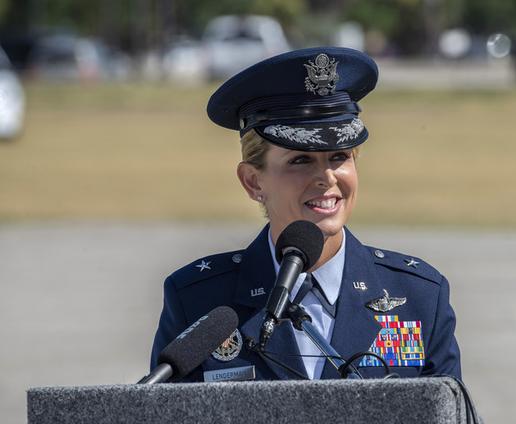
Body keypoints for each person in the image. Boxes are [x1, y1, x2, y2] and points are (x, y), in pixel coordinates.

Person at [150, 47, 461, 382]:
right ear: (253, 181)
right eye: (301, 160)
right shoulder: (199, 302)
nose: (326, 178)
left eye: (339, 157)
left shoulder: (419, 298)